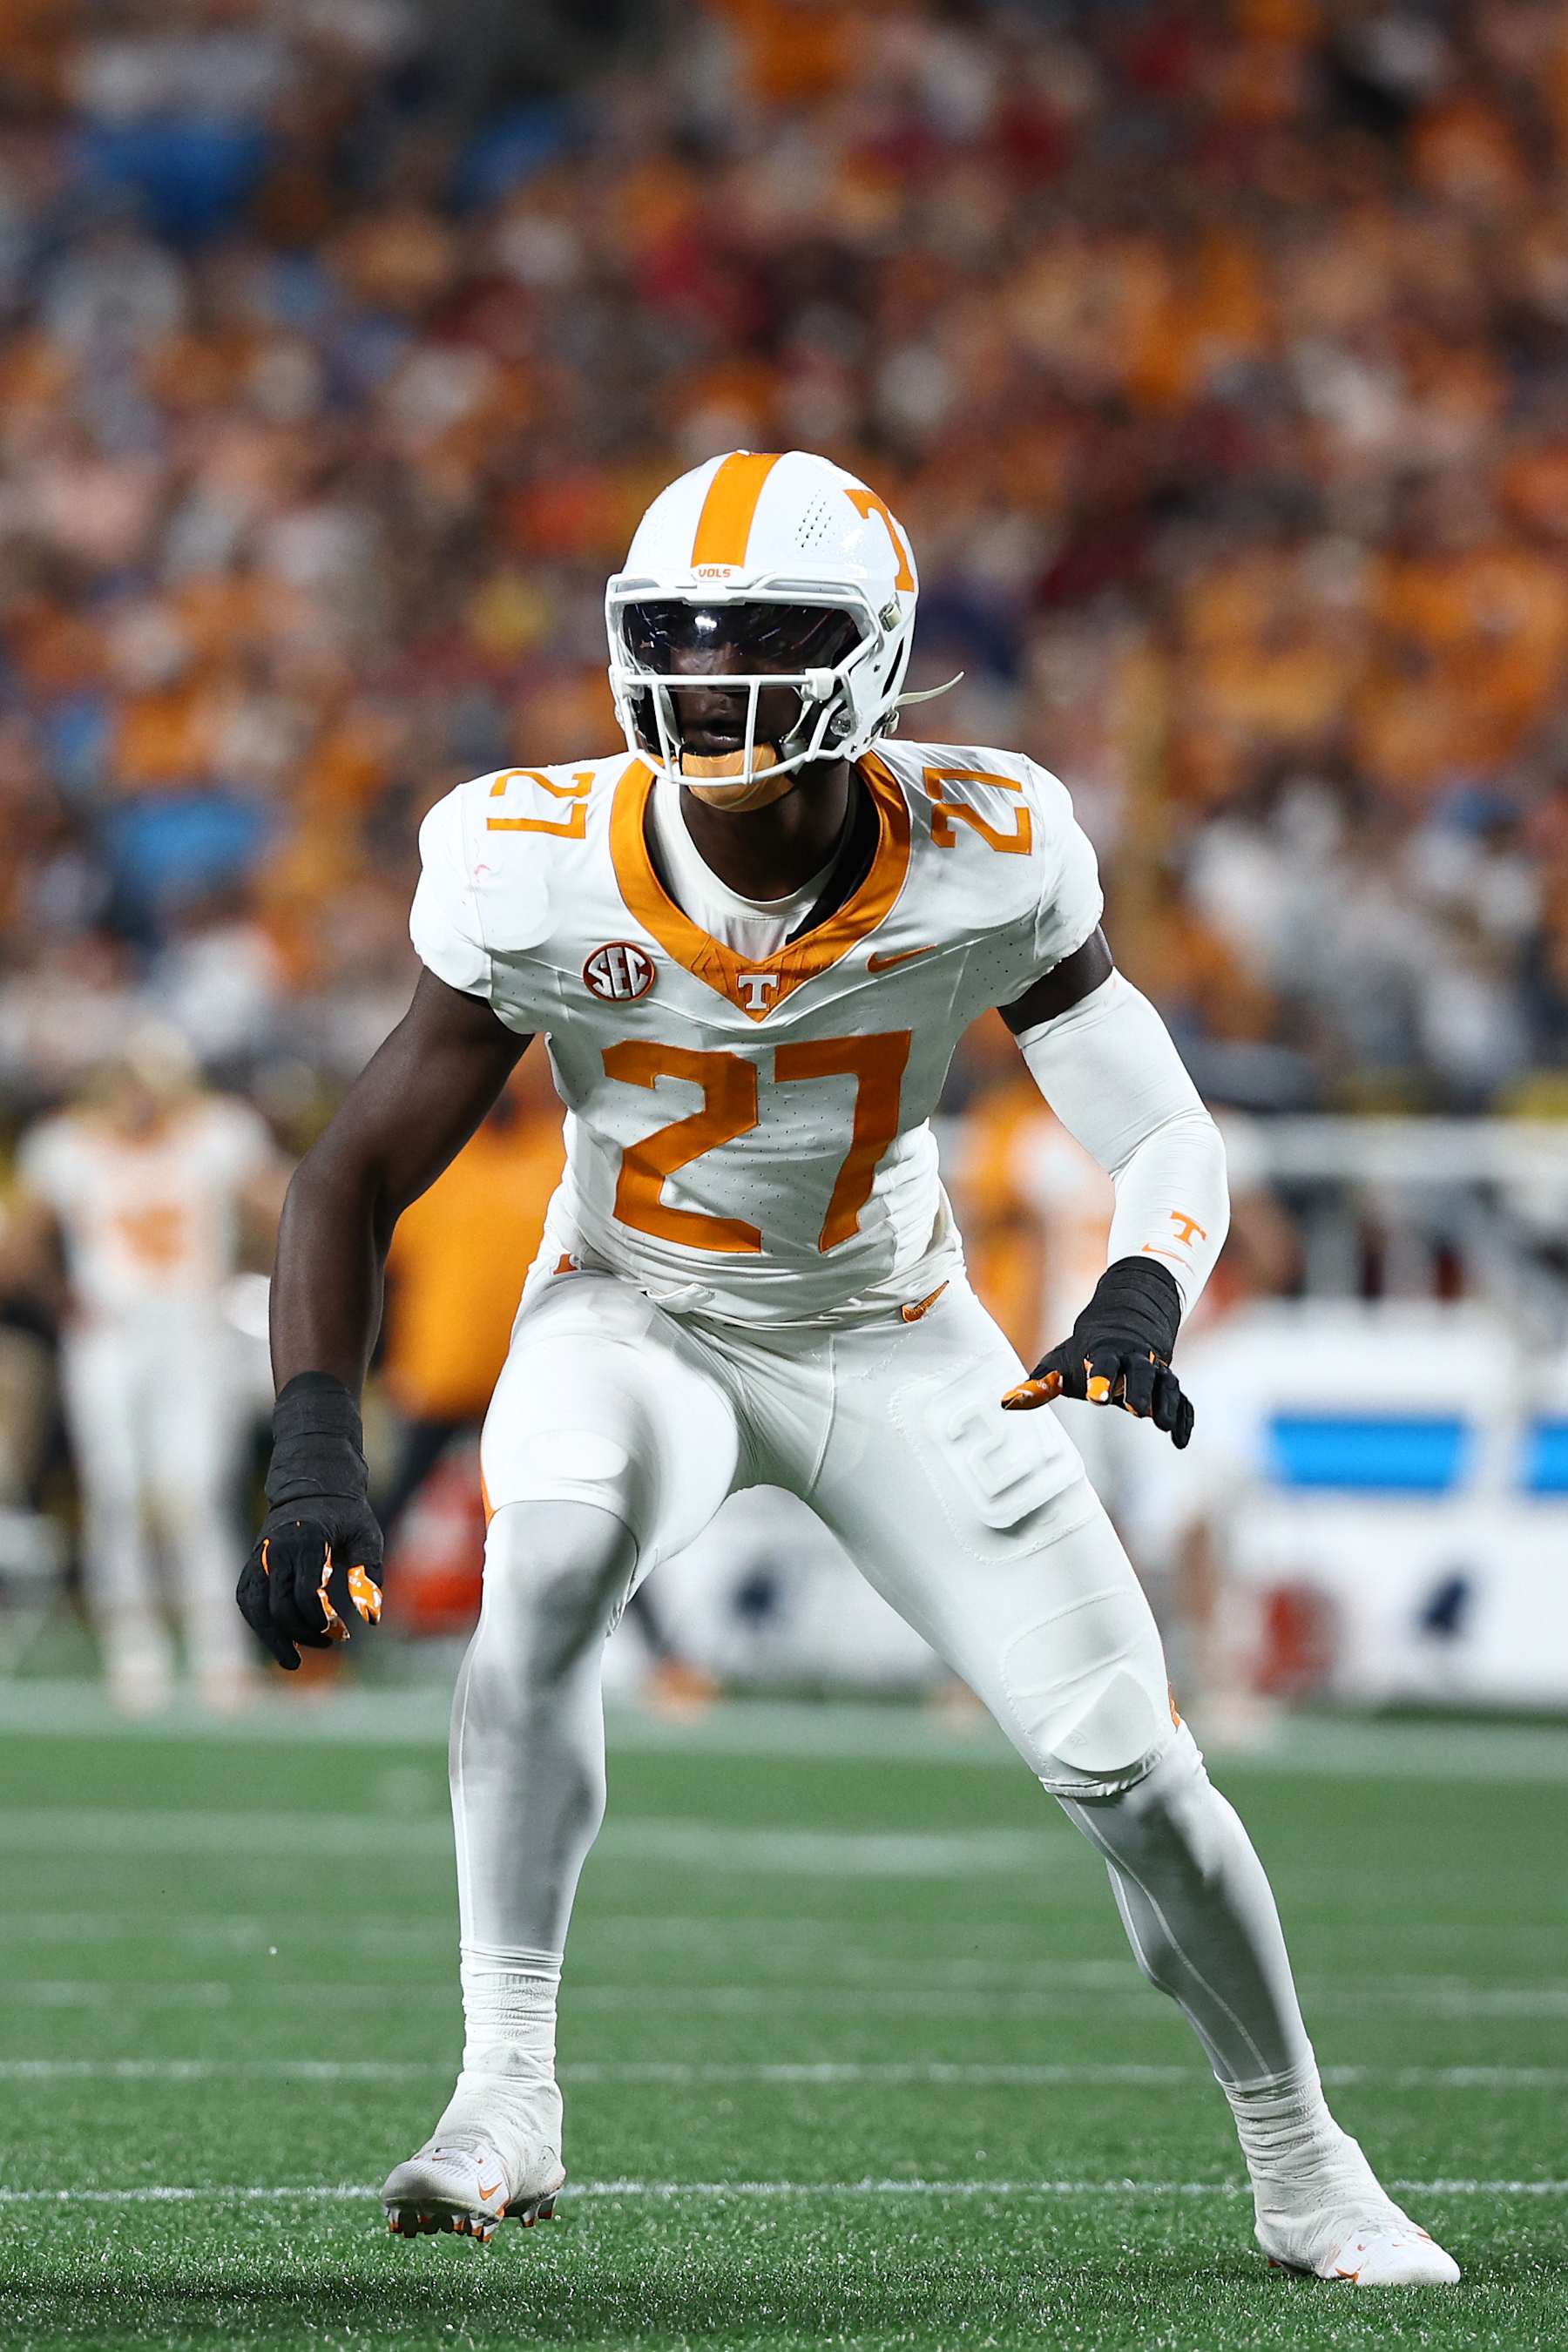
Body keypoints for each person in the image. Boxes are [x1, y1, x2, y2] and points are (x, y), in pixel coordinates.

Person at [237, 449, 1458, 2284]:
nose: (711, 674)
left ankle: (1305, 2160)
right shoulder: (531, 858)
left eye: (764, 636)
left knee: (1133, 1772)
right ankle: (506, 2086)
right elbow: (349, 1170)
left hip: (892, 1334)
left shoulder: (991, 842)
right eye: (679, 634)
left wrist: (1141, 1292)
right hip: (634, 1310)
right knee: (544, 1565)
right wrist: (314, 1445)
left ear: (874, 655)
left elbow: (1162, 1127)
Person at [9, 1027, 287, 1713]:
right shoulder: (71, 1147)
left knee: (199, 1488)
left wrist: (251, 1273)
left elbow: (286, 1208)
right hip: (113, 1334)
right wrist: (61, 1299)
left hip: (194, 1331)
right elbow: (19, 1241)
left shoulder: (214, 1136)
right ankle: (134, 1647)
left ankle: (220, 1645)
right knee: (120, 1491)